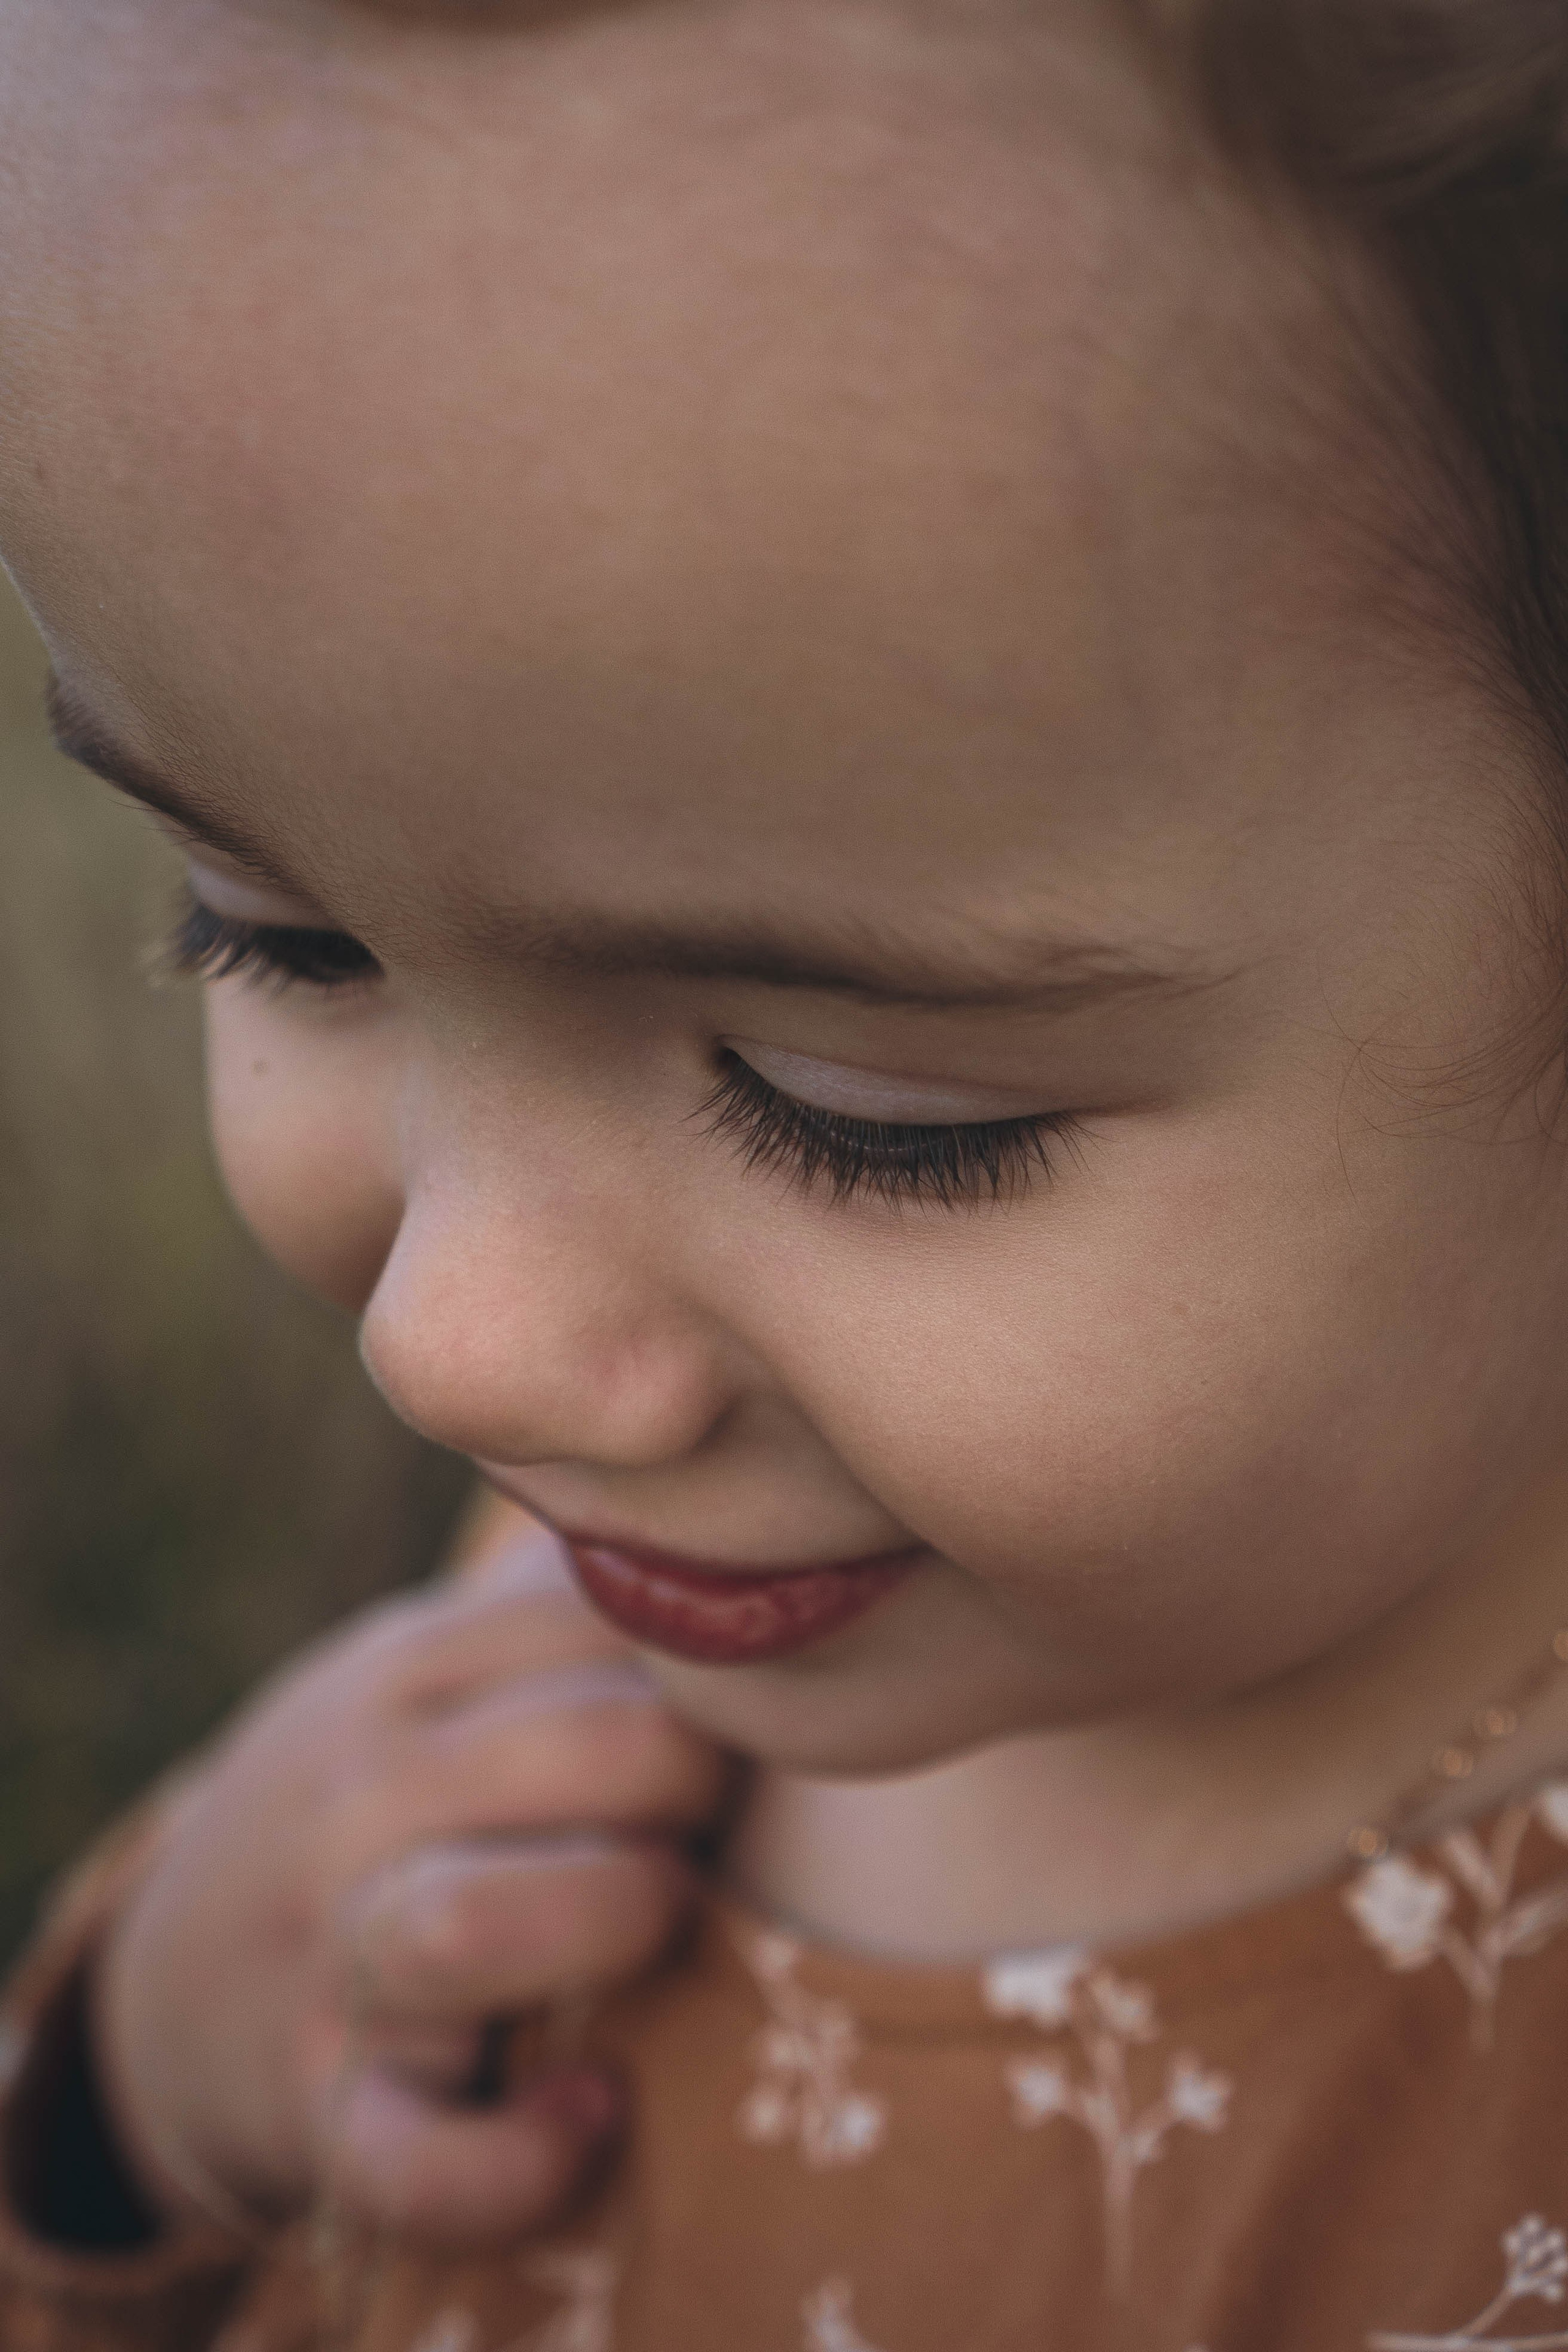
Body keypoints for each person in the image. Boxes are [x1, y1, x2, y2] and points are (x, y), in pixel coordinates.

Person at [4, 0, 1568, 2343]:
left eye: (865, 1113)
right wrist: (131, 2107)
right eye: (282, 933)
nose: (455, 1346)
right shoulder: (688, 1548)